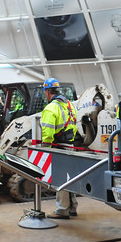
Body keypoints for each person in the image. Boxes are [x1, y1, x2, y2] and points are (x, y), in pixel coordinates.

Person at [40, 78, 79, 220]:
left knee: (60, 178)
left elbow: (47, 132)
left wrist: (46, 148)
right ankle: (73, 206)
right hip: (70, 145)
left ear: (48, 91)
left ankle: (62, 209)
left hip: (59, 147)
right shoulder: (69, 105)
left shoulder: (51, 108)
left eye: (45, 91)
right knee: (71, 177)